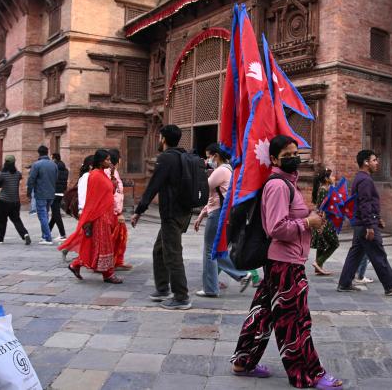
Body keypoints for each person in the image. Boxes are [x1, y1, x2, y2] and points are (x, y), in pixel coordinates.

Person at [231, 135, 343, 390]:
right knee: (295, 320)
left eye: (296, 153)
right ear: (273, 158)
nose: (294, 158)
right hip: (285, 263)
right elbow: (276, 227)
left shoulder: (287, 183)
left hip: (280, 261)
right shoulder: (279, 185)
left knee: (263, 313)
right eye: (287, 154)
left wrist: (310, 218)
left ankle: (243, 361)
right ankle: (308, 374)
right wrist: (307, 223)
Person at [131, 125, 193, 310]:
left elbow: (153, 186)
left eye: (159, 137)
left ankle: (181, 297)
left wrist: (139, 210)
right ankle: (163, 288)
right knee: (160, 249)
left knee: (172, 254)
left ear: (163, 139)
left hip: (171, 214)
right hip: (184, 212)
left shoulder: (166, 158)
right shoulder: (185, 155)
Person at [337, 150, 392, 295]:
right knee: (378, 254)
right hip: (365, 225)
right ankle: (390, 285)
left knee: (355, 254)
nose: (377, 163)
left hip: (361, 223)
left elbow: (366, 204)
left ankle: (344, 284)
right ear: (366, 162)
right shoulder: (365, 180)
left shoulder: (361, 178)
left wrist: (377, 217)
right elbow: (365, 204)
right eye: (374, 160)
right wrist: (370, 225)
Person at [193, 143, 251, 297]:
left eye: (208, 156)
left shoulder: (221, 171)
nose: (207, 159)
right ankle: (241, 275)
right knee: (217, 250)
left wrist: (199, 172)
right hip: (219, 212)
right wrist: (202, 214)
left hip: (217, 214)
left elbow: (204, 189)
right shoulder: (228, 170)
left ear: (216, 156)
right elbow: (214, 197)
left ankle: (211, 288)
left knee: (209, 251)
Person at [59, 150, 123, 284]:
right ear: (100, 161)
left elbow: (108, 192)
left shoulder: (103, 174)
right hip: (99, 216)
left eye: (110, 160)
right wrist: (87, 216)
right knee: (104, 246)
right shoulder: (94, 176)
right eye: (107, 160)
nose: (109, 162)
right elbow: (92, 199)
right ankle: (108, 274)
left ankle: (75, 265)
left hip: (106, 214)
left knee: (96, 246)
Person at [0, 155, 31, 245]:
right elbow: (18, 179)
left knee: (1, 221)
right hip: (15, 201)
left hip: (3, 201)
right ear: (14, 163)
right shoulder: (18, 174)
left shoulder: (2, 174)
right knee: (16, 220)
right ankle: (25, 234)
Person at [105, 148, 132, 270]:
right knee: (117, 237)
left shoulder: (112, 172)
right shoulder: (110, 173)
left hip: (112, 210)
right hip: (112, 211)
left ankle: (115, 261)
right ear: (119, 160)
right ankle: (113, 262)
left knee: (117, 236)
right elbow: (113, 194)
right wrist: (118, 212)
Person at [310, 167, 340, 276]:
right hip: (324, 222)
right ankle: (318, 262)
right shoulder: (323, 190)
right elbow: (322, 208)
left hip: (322, 222)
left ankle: (318, 268)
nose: (334, 177)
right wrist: (322, 224)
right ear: (327, 179)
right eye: (331, 175)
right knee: (335, 244)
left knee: (321, 244)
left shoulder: (326, 189)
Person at [27, 145, 58, 245]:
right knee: (46, 214)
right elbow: (56, 178)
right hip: (51, 193)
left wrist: (29, 192)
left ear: (39, 153)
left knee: (43, 216)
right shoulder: (54, 165)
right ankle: (44, 236)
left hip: (40, 193)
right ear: (47, 152)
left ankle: (48, 237)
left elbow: (31, 179)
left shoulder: (36, 165)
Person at [49, 153, 69, 241]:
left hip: (54, 193)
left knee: (56, 214)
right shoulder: (65, 169)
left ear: (54, 159)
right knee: (55, 213)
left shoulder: (54, 168)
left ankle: (62, 234)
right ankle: (47, 231)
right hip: (61, 193)